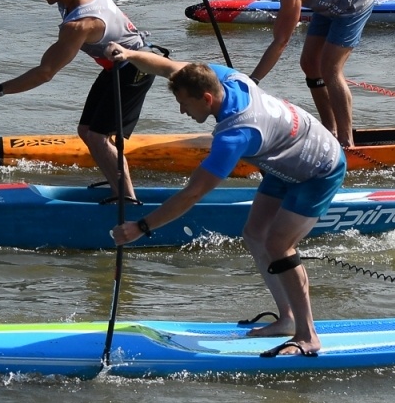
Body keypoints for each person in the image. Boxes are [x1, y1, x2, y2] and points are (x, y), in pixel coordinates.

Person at [107, 49, 347, 358]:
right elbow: (168, 67)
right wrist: (127, 54)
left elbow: (192, 194)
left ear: (206, 99)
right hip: (282, 159)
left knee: (278, 244)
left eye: (184, 103)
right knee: (254, 233)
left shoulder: (235, 134)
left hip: (319, 167)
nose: (181, 111)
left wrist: (142, 227)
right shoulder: (226, 77)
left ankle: (308, 336)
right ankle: (287, 318)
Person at [0, 0, 160, 201]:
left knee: (97, 137)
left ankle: (127, 199)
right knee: (85, 131)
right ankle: (116, 183)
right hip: (116, 65)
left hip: (136, 66)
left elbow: (46, 72)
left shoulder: (80, 24)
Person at [187, 0, 373, 148]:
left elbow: (281, 41)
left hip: (352, 4)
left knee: (330, 69)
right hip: (326, 0)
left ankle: (346, 142)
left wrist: (252, 82)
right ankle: (329, 129)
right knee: (310, 64)